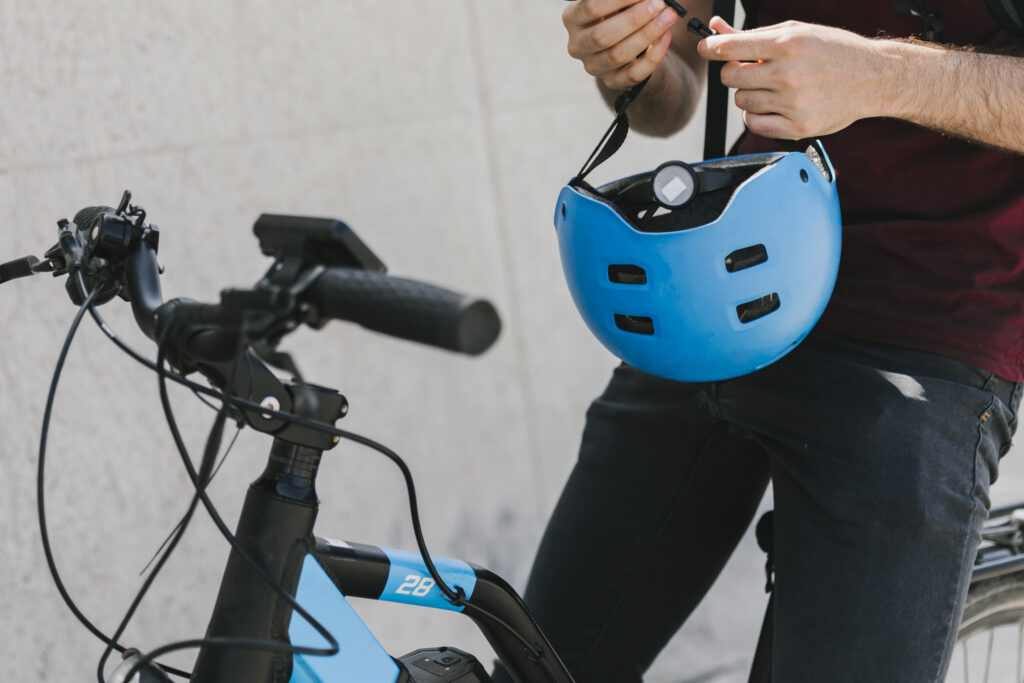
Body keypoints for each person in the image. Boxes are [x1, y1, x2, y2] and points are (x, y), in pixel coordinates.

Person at [494, 1, 1024, 681]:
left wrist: (885, 74)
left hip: (929, 331)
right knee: (537, 668)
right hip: (724, 289)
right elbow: (676, 87)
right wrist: (628, 54)